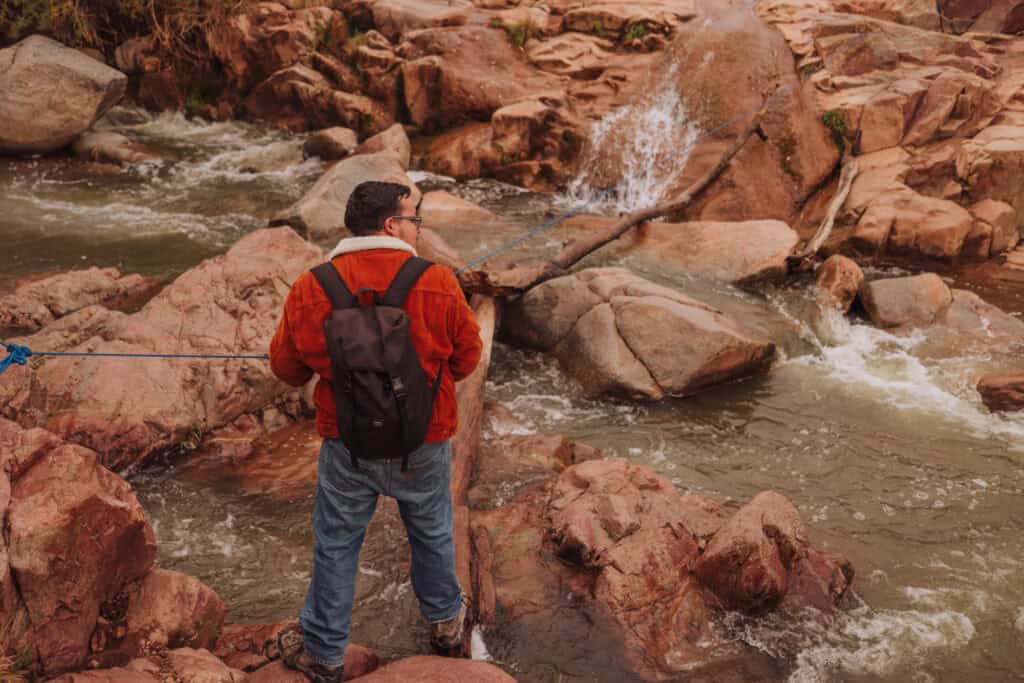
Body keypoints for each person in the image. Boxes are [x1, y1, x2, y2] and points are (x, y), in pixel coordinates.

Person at [268, 181, 483, 683]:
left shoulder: (311, 285)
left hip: (348, 442)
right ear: (392, 225)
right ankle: (447, 624)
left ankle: (323, 653)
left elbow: (287, 369)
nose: (417, 227)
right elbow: (468, 359)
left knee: (337, 543)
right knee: (431, 533)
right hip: (424, 439)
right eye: (415, 219)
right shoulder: (438, 280)